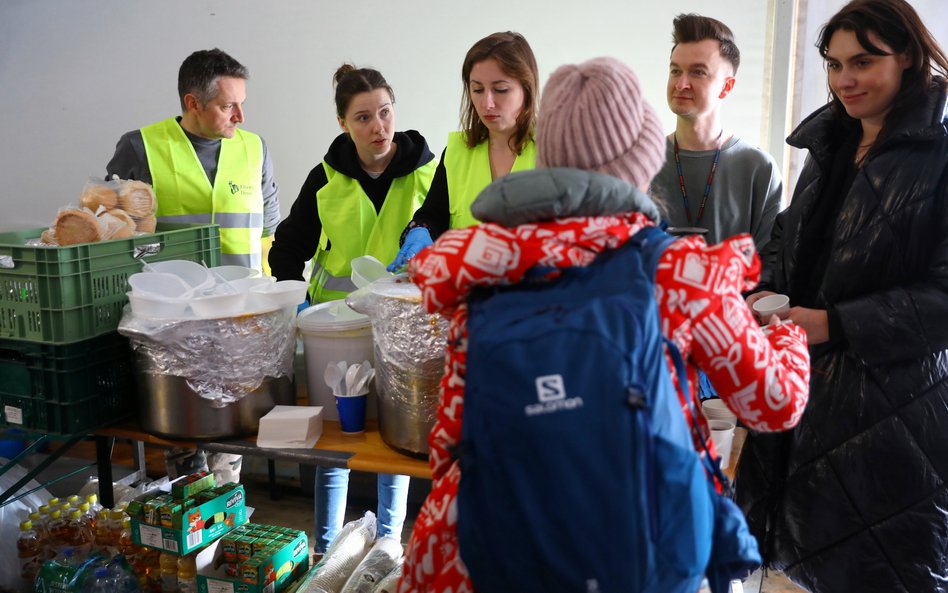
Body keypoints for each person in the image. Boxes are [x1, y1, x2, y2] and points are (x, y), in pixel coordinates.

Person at [397, 57, 811, 593]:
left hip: (508, 552)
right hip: (647, 554)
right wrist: (787, 337)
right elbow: (772, 403)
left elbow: (451, 435)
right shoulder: (676, 273)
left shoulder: (484, 271)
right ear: (640, 162)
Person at [734, 1, 948, 591]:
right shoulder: (830, 142)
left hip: (890, 415)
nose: (843, 80)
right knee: (795, 566)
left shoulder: (940, 156)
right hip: (801, 393)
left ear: (907, 56)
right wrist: (763, 289)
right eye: (832, 65)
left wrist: (835, 324)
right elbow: (788, 236)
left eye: (863, 61)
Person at [269, 64, 437, 556]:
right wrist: (287, 294)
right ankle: (325, 548)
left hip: (401, 328)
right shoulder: (324, 178)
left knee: (394, 437)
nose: (378, 127)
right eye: (363, 117)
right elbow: (289, 245)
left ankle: (387, 543)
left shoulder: (428, 174)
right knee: (332, 443)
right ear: (343, 122)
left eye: (385, 113)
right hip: (334, 330)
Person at [106, 48, 281, 485]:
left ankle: (227, 523)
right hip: (175, 326)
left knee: (235, 439)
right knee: (183, 442)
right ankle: (192, 528)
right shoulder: (140, 147)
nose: (240, 115)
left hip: (240, 319)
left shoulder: (255, 148)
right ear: (193, 103)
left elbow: (269, 231)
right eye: (228, 105)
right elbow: (113, 233)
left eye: (243, 102)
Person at [386, 31, 538, 272]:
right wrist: (421, 231)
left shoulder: (556, 153)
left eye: (500, 90)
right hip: (466, 300)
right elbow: (434, 216)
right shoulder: (458, 153)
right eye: (477, 90)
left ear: (526, 89)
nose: (487, 103)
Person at [650, 14, 782, 249]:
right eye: (675, 71)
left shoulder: (758, 168)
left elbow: (771, 261)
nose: (681, 84)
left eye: (697, 72)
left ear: (726, 86)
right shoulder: (643, 163)